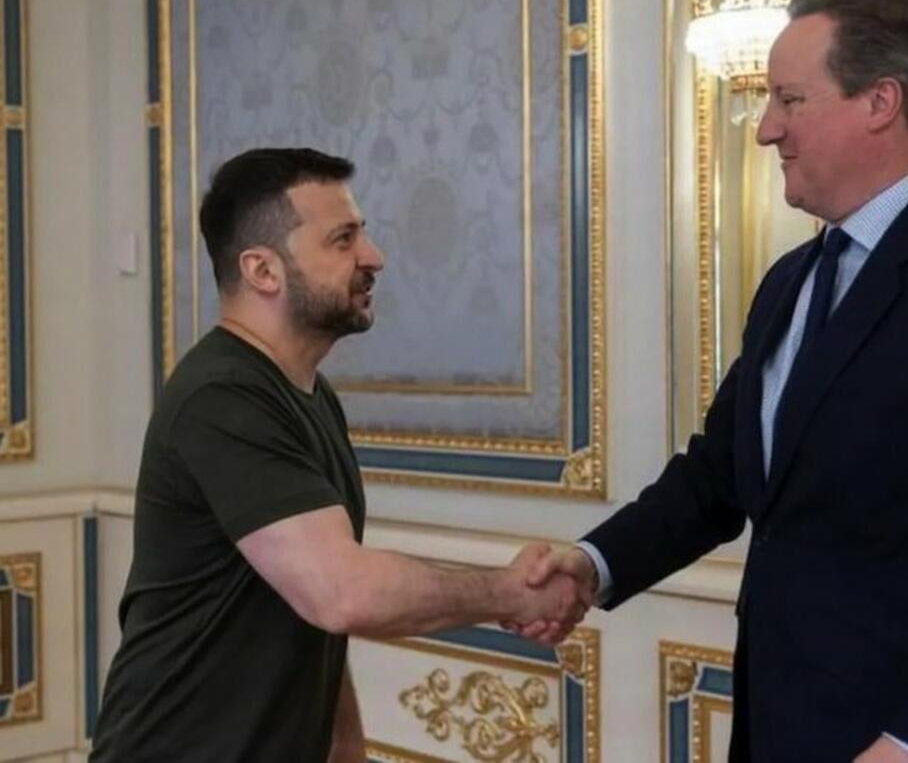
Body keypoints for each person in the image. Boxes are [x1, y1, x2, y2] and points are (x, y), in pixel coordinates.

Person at [519, 0, 908, 762]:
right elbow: (719, 476)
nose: (766, 129)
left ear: (881, 102)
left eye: (789, 100)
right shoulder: (791, 280)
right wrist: (593, 565)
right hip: (780, 730)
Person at [90, 148, 579, 763]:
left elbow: (311, 598)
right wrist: (510, 592)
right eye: (343, 239)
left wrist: (346, 744)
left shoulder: (310, 396)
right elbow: (341, 591)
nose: (373, 256)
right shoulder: (221, 396)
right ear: (263, 270)